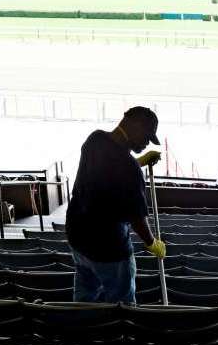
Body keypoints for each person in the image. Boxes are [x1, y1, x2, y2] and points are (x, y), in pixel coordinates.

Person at [65, 106, 166, 303]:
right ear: (134, 125)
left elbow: (110, 164)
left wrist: (137, 162)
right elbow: (137, 218)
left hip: (78, 237)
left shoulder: (95, 139)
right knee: (122, 302)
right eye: (147, 136)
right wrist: (152, 243)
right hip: (109, 248)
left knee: (85, 298)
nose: (147, 143)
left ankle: (84, 320)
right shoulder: (129, 168)